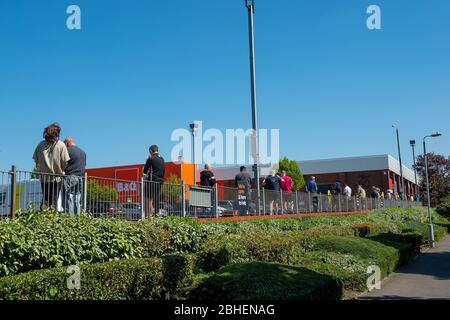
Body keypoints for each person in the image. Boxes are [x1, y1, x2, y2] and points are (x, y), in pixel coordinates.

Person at [33, 123, 70, 211]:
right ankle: (50, 219)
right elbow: (65, 162)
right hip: (57, 178)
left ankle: (43, 214)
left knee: (45, 199)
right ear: (57, 133)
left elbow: (36, 160)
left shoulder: (40, 144)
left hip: (44, 177)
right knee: (53, 200)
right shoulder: (61, 145)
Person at [63, 138, 86, 215]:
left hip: (70, 177)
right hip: (80, 178)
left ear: (67, 143)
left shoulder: (68, 151)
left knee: (68, 198)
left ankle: (69, 218)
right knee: (77, 198)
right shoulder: (83, 152)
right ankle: (77, 218)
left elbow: (64, 163)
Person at [143, 145, 165, 218]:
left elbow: (145, 171)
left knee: (147, 199)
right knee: (156, 198)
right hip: (160, 181)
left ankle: (148, 217)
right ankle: (156, 215)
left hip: (152, 181)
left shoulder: (151, 158)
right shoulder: (162, 159)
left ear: (150, 151)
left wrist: (147, 160)